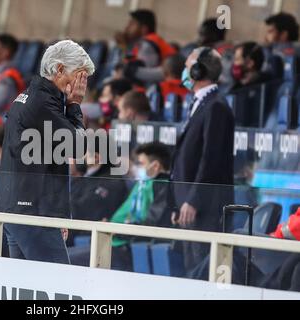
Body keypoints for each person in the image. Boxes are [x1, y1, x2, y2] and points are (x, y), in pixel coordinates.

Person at [0, 40, 95, 264]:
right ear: (60, 69)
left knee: (27, 289)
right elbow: (78, 148)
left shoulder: (31, 96)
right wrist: (75, 104)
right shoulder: (42, 103)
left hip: (21, 211)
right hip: (33, 214)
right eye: (79, 76)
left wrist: (59, 214)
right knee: (58, 288)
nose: (82, 86)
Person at [170, 47, 235, 273]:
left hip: (204, 207)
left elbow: (211, 159)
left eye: (188, 66)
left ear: (198, 71)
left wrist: (194, 200)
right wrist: (178, 202)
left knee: (203, 270)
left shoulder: (216, 106)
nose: (185, 71)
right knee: (191, 270)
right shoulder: (201, 103)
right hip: (188, 204)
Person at [69, 142, 172, 271]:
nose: (136, 167)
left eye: (140, 164)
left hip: (128, 248)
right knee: (65, 256)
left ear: (155, 166)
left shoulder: (163, 187)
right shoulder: (142, 185)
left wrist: (119, 230)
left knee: (66, 259)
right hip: (114, 242)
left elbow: (151, 225)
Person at [117, 10, 176, 88]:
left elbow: (148, 78)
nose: (127, 27)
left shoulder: (148, 45)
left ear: (144, 29)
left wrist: (127, 70)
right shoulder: (140, 43)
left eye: (132, 24)